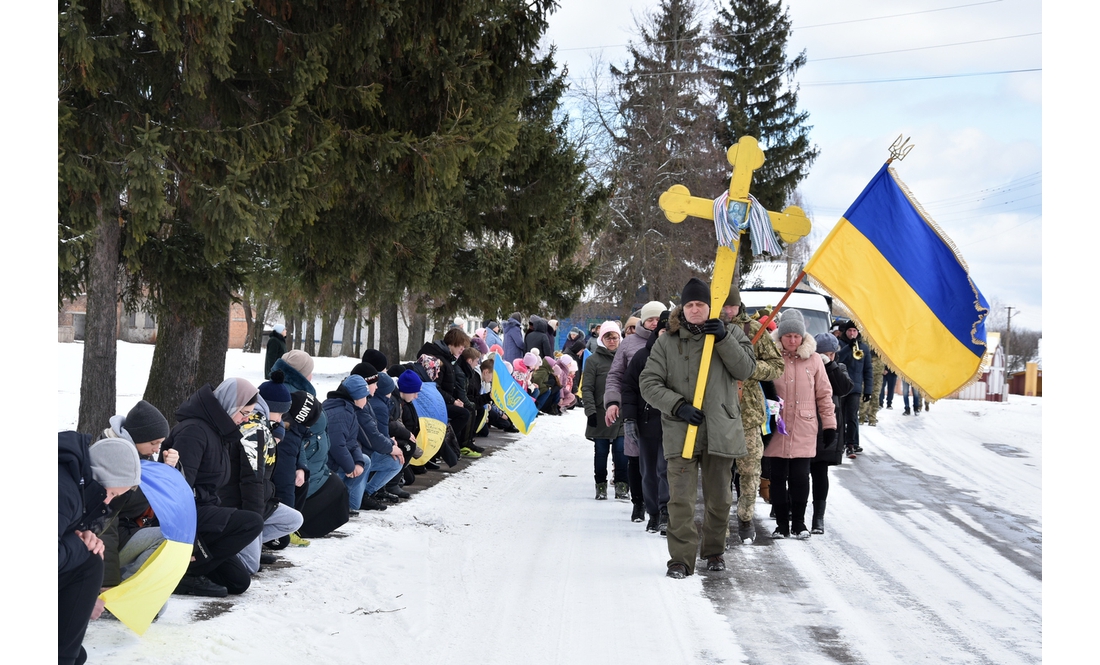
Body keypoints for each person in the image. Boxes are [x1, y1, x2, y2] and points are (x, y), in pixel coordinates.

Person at [639, 277, 757, 577]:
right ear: (683, 307)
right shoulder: (667, 341)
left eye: (700, 304)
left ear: (710, 307)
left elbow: (746, 369)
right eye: (689, 304)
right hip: (682, 431)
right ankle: (680, 559)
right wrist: (678, 405)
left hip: (722, 430)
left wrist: (723, 339)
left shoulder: (731, 333)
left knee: (720, 499)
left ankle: (715, 551)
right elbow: (648, 383)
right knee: (680, 501)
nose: (694, 309)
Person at [161, 378, 266, 596]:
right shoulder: (194, 432)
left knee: (239, 583)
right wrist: (190, 538)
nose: (244, 420)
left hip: (206, 507)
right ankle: (185, 572)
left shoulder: (220, 432)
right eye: (243, 413)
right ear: (229, 405)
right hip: (190, 514)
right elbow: (178, 488)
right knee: (251, 522)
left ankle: (196, 565)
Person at [59, 433, 142, 665]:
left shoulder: (72, 482)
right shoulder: (64, 492)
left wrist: (77, 535)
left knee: (77, 654)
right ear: (102, 475)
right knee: (89, 559)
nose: (107, 502)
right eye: (113, 493)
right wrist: (79, 544)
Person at [764, 311, 837, 540]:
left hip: (805, 426)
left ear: (803, 337)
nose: (793, 340)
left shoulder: (814, 359)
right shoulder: (771, 357)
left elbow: (824, 395)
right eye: (788, 336)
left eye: (797, 336)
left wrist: (829, 425)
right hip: (777, 425)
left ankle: (799, 523)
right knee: (776, 477)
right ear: (781, 336)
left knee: (800, 477)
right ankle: (782, 525)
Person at [722, 285, 785, 545]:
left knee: (749, 471)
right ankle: (720, 525)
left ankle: (746, 518)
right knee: (720, 474)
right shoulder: (709, 329)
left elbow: (776, 366)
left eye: (732, 306)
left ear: (740, 306)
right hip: (718, 413)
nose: (728, 311)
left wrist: (749, 368)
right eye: (724, 306)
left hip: (748, 415)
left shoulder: (754, 331)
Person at [603, 300, 666, 523]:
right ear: (643, 320)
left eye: (658, 318)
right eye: (650, 319)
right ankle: (638, 504)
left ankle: (662, 508)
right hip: (636, 409)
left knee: (663, 464)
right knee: (636, 459)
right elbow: (616, 376)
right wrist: (613, 402)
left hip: (663, 413)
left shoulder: (670, 339)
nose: (654, 323)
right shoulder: (629, 344)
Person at [621, 310, 671, 534]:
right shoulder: (642, 356)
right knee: (649, 470)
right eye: (662, 331)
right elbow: (629, 388)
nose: (666, 336)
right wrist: (630, 418)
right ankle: (653, 513)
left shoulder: (681, 358)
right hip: (647, 421)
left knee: (666, 469)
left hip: (673, 423)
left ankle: (666, 511)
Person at [810, 333, 853, 535]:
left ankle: (818, 518)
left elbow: (844, 388)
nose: (830, 356)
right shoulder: (806, 365)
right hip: (806, 425)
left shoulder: (838, 368)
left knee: (820, 473)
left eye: (832, 354)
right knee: (796, 472)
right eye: (825, 354)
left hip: (827, 427)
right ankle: (787, 507)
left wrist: (829, 365)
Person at [582, 320, 626, 500]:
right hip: (600, 415)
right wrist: (590, 411)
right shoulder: (593, 361)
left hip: (622, 414)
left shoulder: (625, 358)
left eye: (615, 337)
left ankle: (622, 485)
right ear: (601, 339)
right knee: (601, 452)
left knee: (622, 451)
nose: (612, 341)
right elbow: (587, 388)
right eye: (608, 337)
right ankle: (600, 485)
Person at [835, 320, 873, 457]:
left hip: (855, 388)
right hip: (841, 385)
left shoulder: (864, 348)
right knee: (839, 417)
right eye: (850, 331)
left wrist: (868, 390)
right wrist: (848, 347)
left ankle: (851, 443)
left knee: (851, 416)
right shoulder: (839, 344)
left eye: (854, 331)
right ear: (846, 332)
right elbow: (837, 359)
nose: (852, 333)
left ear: (858, 332)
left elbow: (868, 370)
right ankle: (839, 443)